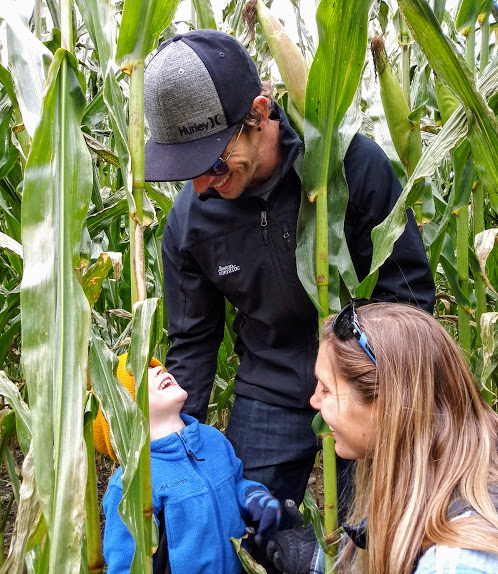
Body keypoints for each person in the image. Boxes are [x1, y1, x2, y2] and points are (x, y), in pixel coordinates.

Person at [143, 28, 435, 540]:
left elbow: (408, 298)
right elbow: (192, 341)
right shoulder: (189, 224)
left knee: (378, 541)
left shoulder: (351, 168)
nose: (201, 186)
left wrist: (366, 387)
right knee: (245, 537)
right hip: (269, 388)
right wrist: (173, 446)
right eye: (184, 171)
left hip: (363, 386)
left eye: (211, 164)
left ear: (258, 114)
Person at [266, 302, 498, 574]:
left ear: (386, 404)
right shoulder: (448, 478)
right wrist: (322, 559)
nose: (314, 401)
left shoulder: (458, 560)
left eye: (327, 390)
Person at [93, 353, 281, 574]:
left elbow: (236, 482)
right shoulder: (132, 482)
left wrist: (254, 497)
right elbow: (126, 565)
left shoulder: (212, 439)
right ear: (124, 414)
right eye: (143, 374)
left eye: (155, 366)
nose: (158, 370)